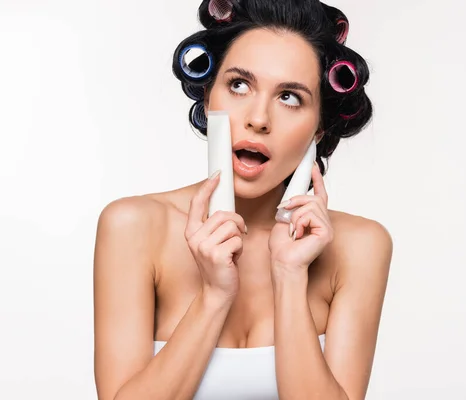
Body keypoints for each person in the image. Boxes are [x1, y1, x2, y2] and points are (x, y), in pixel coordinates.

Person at [93, 0, 393, 399]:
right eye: (238, 85)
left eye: (290, 97)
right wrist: (214, 297)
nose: (258, 118)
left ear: (320, 128)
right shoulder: (133, 226)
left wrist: (289, 275)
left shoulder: (359, 245)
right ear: (207, 95)